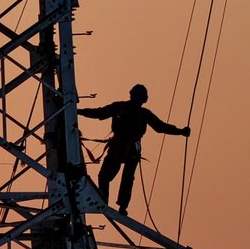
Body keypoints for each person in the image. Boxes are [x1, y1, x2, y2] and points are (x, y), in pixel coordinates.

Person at [77, 84, 191, 215]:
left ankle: (114, 204)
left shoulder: (135, 111)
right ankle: (110, 203)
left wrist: (180, 131)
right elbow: (98, 113)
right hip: (122, 148)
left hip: (127, 149)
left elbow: (160, 127)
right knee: (111, 176)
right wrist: (77, 111)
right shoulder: (125, 109)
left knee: (119, 177)